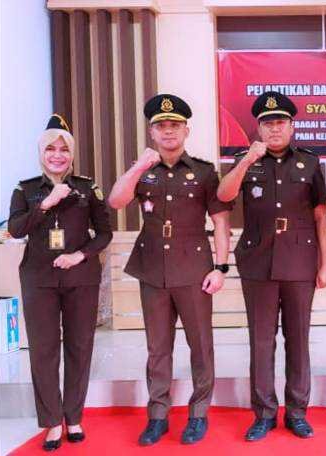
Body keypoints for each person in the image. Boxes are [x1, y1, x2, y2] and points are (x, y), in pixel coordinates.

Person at [107, 94, 232, 446]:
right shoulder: (142, 170)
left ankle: (198, 413)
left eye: (175, 125)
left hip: (194, 271)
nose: (168, 131)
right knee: (157, 348)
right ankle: (158, 415)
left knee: (200, 346)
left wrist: (221, 267)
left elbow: (221, 223)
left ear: (186, 130)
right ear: (152, 132)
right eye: (161, 126)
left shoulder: (204, 172)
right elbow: (115, 201)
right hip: (152, 271)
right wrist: (137, 168)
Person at [216, 91, 326, 441]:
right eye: (268, 123)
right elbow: (223, 195)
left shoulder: (310, 162)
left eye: (280, 122)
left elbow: (321, 216)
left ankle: (297, 412)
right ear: (259, 128)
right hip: (259, 262)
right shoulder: (245, 160)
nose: (274, 129)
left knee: (298, 339)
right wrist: (247, 161)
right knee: (261, 341)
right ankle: (264, 413)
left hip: (299, 261)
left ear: (291, 126)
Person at [8, 114, 112, 451]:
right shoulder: (25, 190)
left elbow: (105, 233)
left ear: (72, 154)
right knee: (44, 350)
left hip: (81, 277)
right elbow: (16, 229)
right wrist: (47, 203)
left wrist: (80, 255)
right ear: (41, 152)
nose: (57, 155)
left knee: (80, 347)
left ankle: (74, 417)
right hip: (38, 278)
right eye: (50, 149)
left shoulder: (87, 188)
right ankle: (53, 421)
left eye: (64, 149)